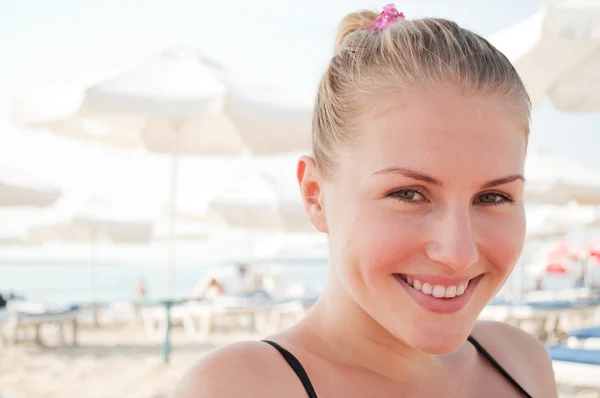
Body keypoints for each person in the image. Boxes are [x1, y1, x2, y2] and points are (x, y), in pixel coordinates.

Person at [174, 5, 557, 397]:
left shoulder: (522, 362)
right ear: (315, 196)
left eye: (493, 197)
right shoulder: (244, 386)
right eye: (407, 194)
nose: (458, 253)